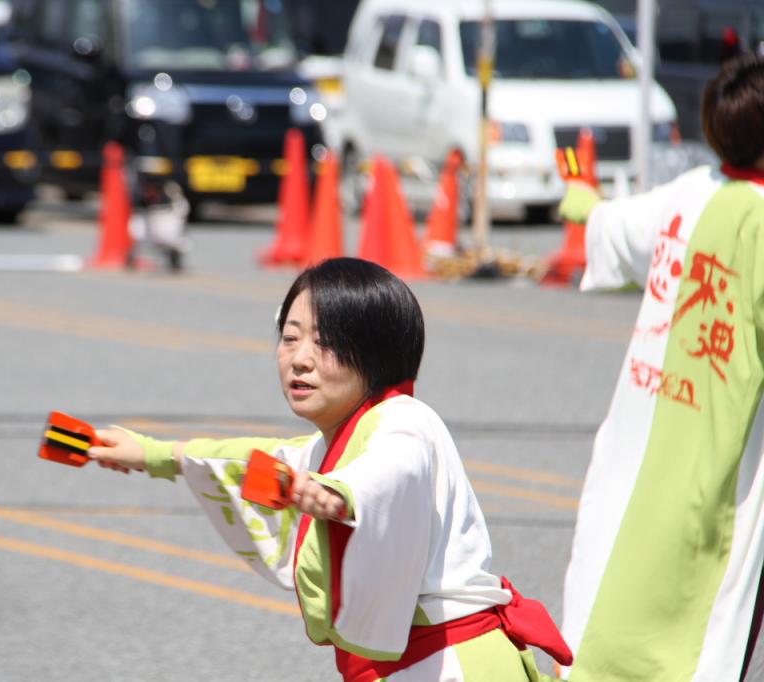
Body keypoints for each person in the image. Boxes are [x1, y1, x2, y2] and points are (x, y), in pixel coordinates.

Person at [87, 257, 572, 681]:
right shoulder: (330, 447)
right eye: (290, 338)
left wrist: (339, 495)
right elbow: (248, 459)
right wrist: (148, 453)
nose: (299, 359)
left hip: (453, 665)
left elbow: (390, 472)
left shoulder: (406, 421)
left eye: (325, 342)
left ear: (377, 353)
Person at [556, 53, 764, 681]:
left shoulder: (691, 192)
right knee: (709, 626)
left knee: (609, 610)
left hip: (634, 453)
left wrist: (584, 202)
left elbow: (612, 230)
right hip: (727, 472)